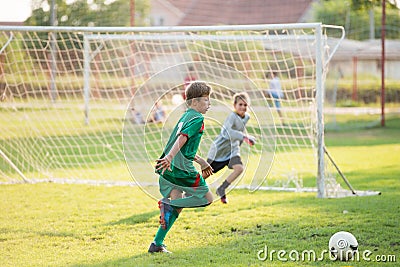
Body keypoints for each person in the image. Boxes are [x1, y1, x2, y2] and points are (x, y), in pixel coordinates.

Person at [148, 81, 214, 253]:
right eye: (206, 100)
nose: (209, 104)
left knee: (177, 203)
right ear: (194, 101)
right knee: (207, 198)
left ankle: (157, 244)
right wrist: (170, 157)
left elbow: (184, 146)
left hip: (168, 169)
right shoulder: (198, 118)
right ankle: (166, 205)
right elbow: (182, 138)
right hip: (181, 169)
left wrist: (201, 161)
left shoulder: (185, 116)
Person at [207, 92, 255, 204]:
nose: (243, 107)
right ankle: (188, 191)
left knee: (239, 168)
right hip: (219, 151)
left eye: (245, 105)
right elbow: (226, 132)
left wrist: (248, 139)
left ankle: (221, 188)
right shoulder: (232, 117)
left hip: (233, 151)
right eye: (240, 104)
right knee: (205, 174)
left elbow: (239, 132)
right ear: (234, 105)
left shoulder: (246, 117)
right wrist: (244, 137)